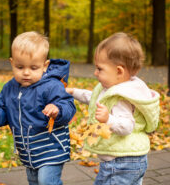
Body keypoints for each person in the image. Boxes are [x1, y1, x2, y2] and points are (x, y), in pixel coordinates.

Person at [0, 31, 76, 185]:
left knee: (46, 181)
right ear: (12, 63)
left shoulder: (51, 86)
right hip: (28, 150)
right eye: (20, 67)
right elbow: (2, 108)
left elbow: (68, 105)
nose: (26, 72)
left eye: (33, 68)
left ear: (45, 66)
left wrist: (57, 109)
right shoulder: (9, 88)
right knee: (34, 181)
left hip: (51, 147)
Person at [66, 32, 160, 185]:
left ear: (119, 71)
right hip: (129, 159)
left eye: (100, 69)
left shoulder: (122, 98)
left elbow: (127, 126)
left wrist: (108, 119)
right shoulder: (118, 87)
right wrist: (74, 92)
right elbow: (95, 98)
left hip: (121, 163)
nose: (95, 73)